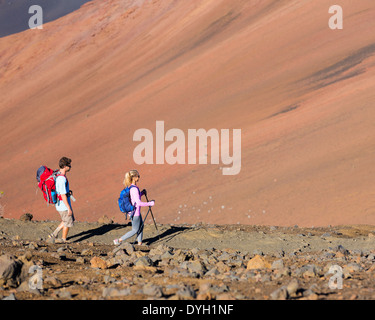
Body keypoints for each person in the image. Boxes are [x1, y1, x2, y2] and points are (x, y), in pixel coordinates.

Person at [113, 170, 154, 246]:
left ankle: (139, 243)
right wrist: (150, 203)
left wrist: (141, 193)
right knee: (135, 230)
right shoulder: (134, 189)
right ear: (134, 177)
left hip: (134, 211)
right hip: (135, 213)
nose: (139, 177)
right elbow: (138, 203)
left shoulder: (132, 187)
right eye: (138, 176)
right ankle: (118, 240)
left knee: (141, 226)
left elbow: (134, 199)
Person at [48, 157, 75, 243]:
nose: (70, 167)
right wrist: (69, 208)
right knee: (67, 221)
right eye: (69, 165)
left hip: (60, 203)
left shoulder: (58, 175)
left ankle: (54, 234)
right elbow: (62, 195)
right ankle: (63, 239)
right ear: (64, 166)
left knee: (65, 220)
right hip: (63, 205)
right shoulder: (62, 179)